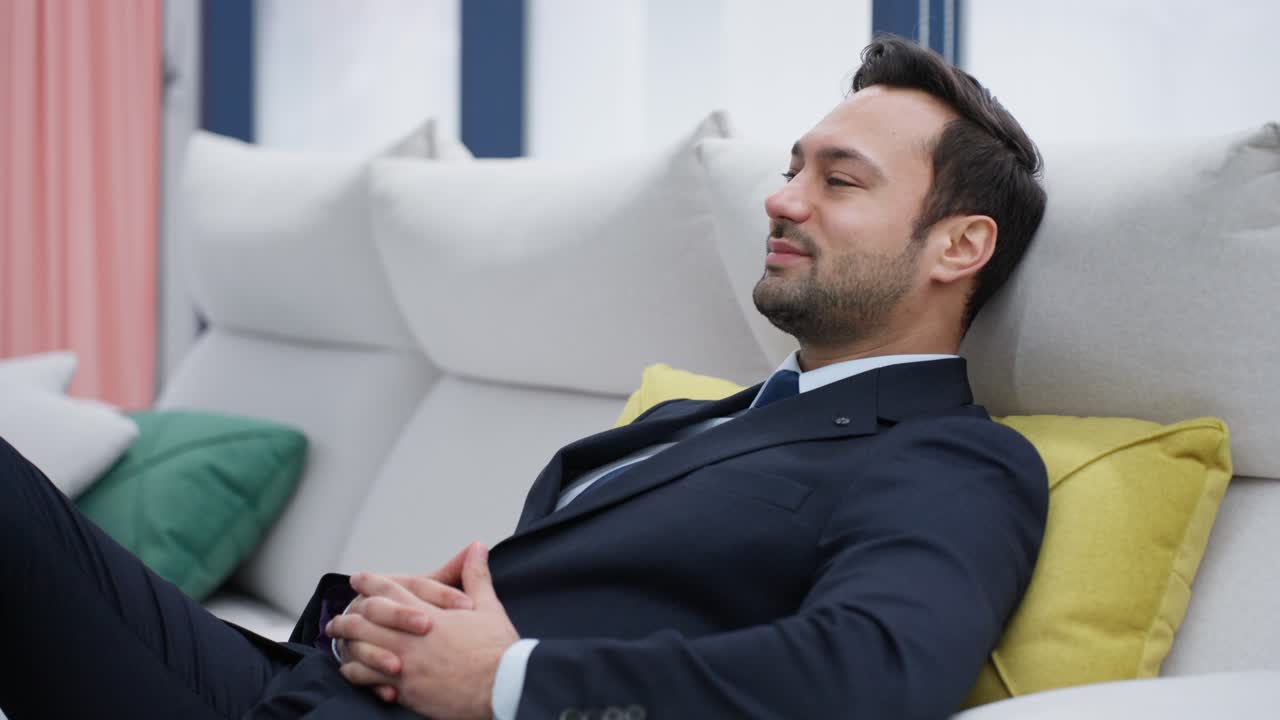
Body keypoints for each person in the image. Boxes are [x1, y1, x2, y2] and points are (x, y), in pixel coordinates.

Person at [0, 36, 1048, 720]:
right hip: (302, 680)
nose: (780, 199)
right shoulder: (695, 419)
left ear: (956, 246)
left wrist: (506, 679)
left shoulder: (953, 458)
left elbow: (870, 675)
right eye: (789, 168)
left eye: (839, 180)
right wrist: (412, 616)